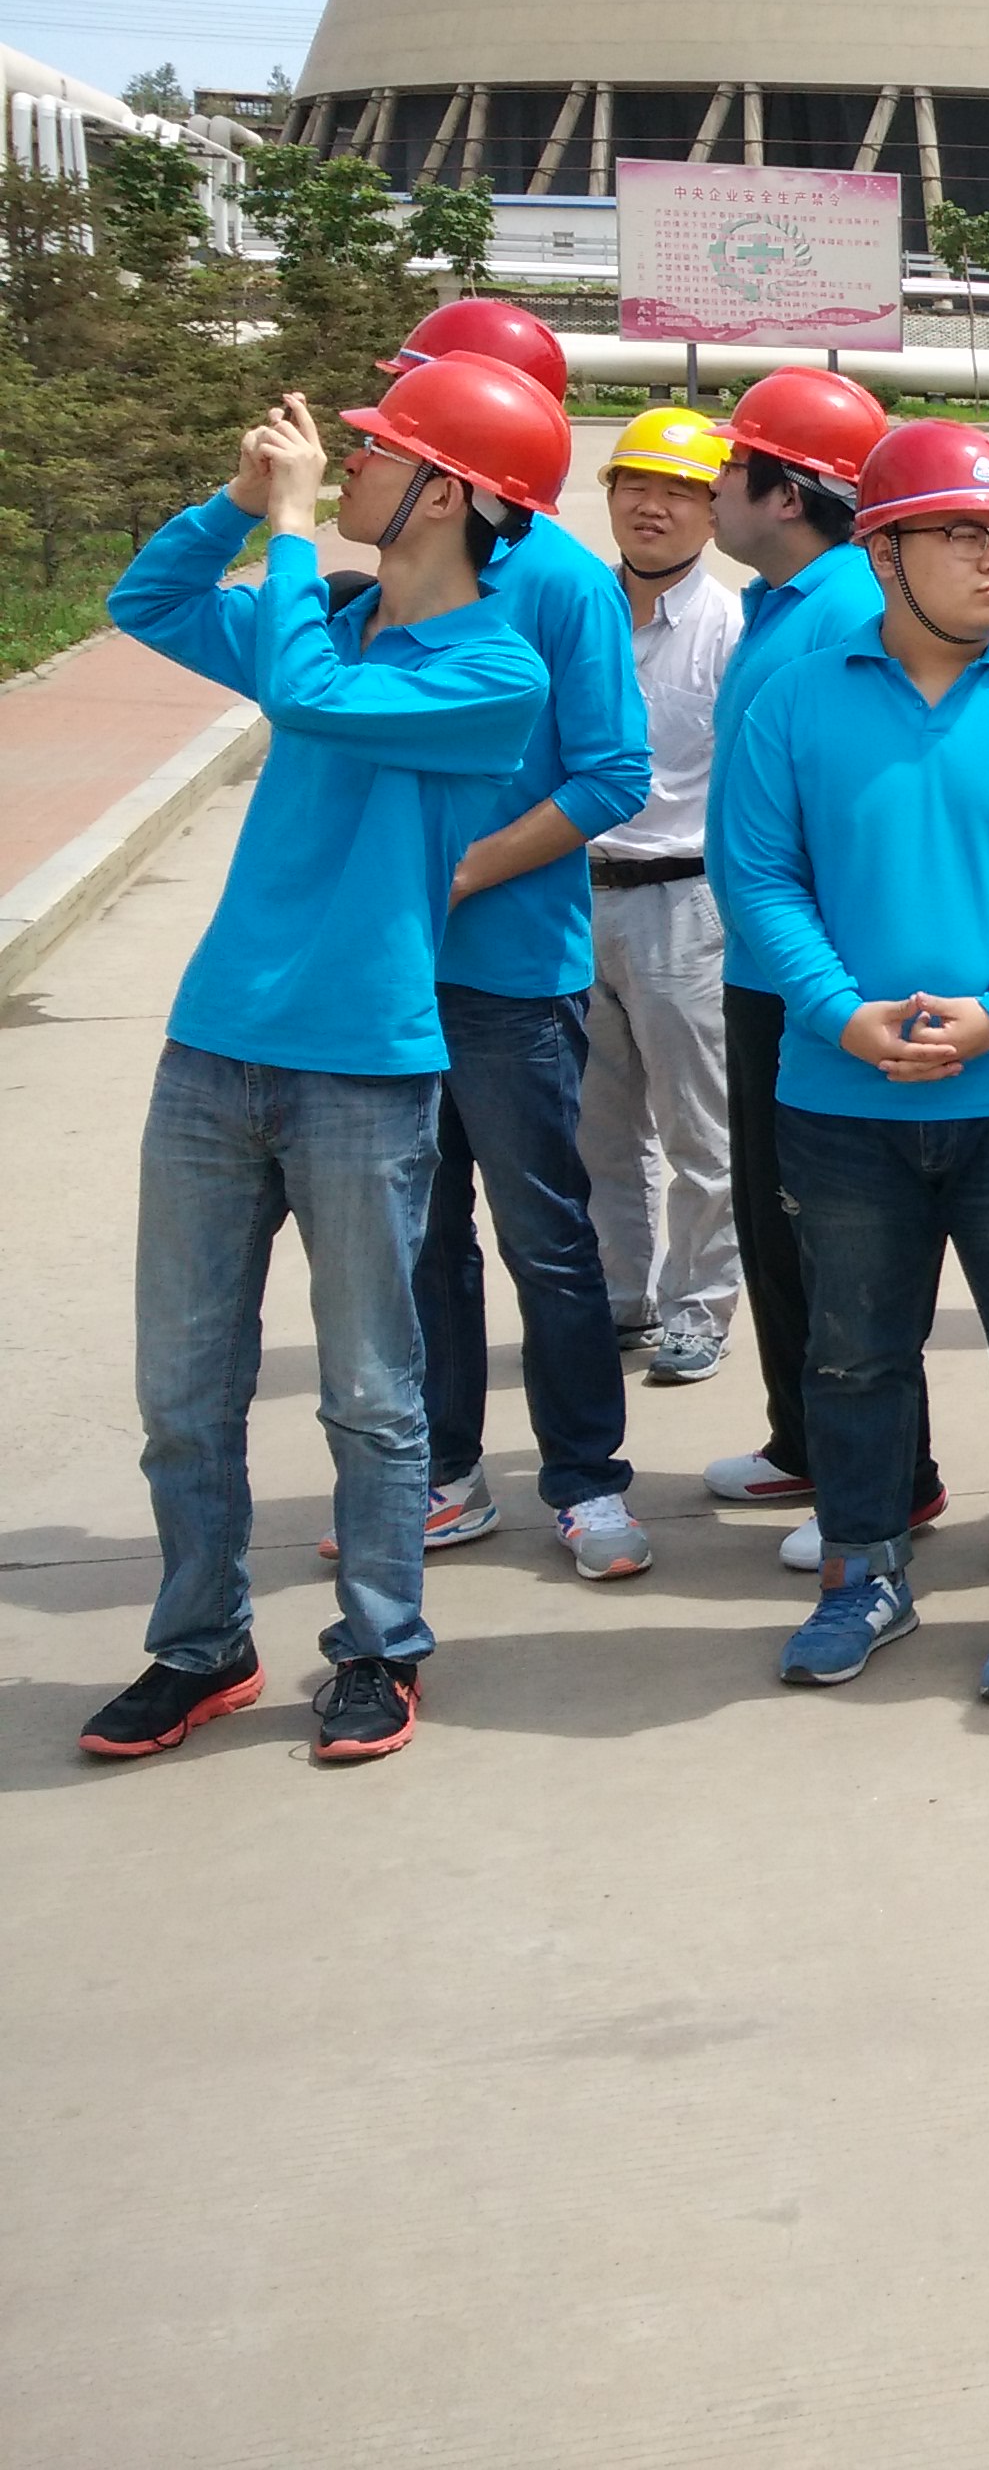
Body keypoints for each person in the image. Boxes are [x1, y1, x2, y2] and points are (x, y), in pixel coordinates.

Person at [77, 371, 552, 1769]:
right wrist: (237, 504)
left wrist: (285, 532)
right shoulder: (328, 618)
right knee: (183, 1393)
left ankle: (381, 1646)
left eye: (376, 456)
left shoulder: (494, 671)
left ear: (446, 495)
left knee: (370, 1392)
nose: (344, 473)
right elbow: (146, 602)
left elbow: (309, 697)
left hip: (361, 1068)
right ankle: (200, 1644)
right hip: (214, 1051)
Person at [723, 421, 989, 1701]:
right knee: (850, 1354)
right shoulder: (796, 701)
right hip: (840, 1100)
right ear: (883, 552)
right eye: (964, 534)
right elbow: (758, 875)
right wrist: (840, 1014)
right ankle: (862, 1576)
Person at [391, 308, 657, 1581]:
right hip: (392, 970)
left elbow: (611, 773)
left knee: (545, 1234)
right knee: (418, 1234)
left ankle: (586, 1481)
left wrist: (461, 875)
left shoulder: (557, 581)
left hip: (508, 977)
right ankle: (446, 1473)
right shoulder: (394, 567)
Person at [686, 366, 935, 1549]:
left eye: (730, 468)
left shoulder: (845, 612)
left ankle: (887, 1479)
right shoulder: (786, 601)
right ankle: (804, 1441)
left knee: (838, 1238)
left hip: (813, 981)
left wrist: (827, 985)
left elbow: (863, 812)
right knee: (778, 1223)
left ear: (787, 493)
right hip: (766, 968)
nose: (711, 488)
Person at [577, 405, 744, 1394]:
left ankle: (698, 1309)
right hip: (578, 895)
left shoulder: (730, 630)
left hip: (686, 906)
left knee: (698, 1126)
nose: (653, 506)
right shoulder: (577, 615)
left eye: (679, 491)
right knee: (598, 1124)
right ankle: (621, 1294)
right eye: (635, 485)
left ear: (715, 512)